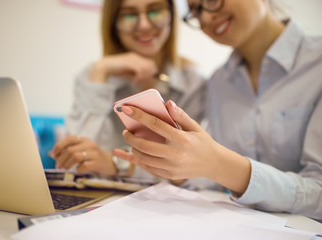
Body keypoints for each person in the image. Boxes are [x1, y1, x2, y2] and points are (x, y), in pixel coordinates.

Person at [113, 0, 322, 221]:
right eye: (195, 10)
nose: (204, 18)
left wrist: (221, 164)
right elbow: (214, 178)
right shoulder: (218, 82)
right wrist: (179, 163)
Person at [49, 0, 205, 180]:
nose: (145, 25)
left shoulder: (193, 82)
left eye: (155, 11)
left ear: (171, 15)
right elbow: (76, 164)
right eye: (129, 15)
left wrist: (117, 165)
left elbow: (190, 172)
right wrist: (101, 71)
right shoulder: (91, 76)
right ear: (113, 23)